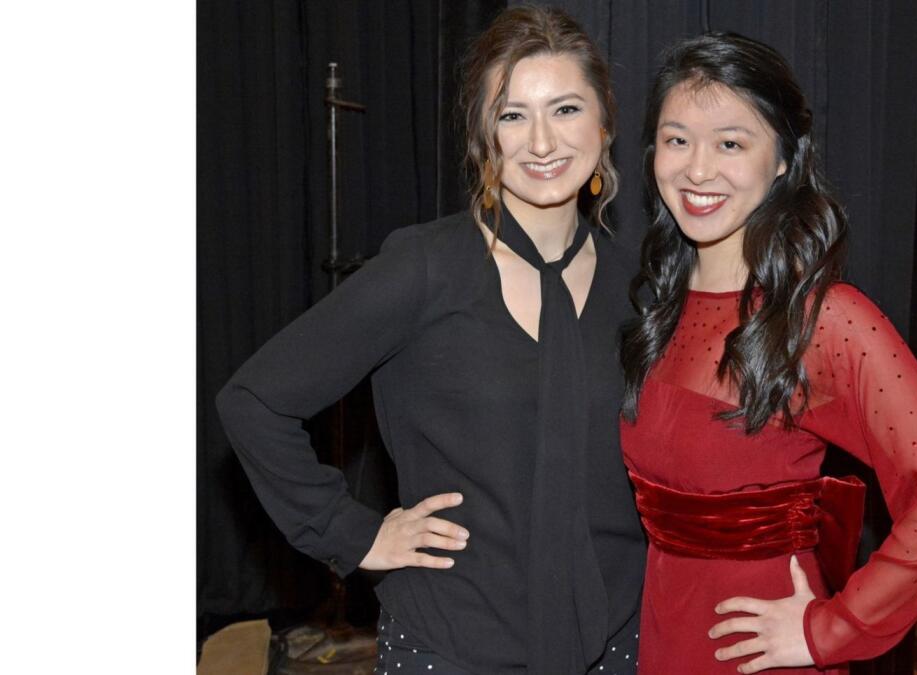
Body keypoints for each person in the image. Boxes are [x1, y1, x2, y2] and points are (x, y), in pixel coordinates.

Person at [216, 6, 645, 674]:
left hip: (617, 644)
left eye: (565, 109)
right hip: (453, 647)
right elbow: (254, 399)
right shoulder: (425, 268)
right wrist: (354, 533)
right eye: (512, 114)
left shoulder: (640, 286)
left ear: (604, 123)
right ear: (483, 138)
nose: (541, 140)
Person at [619, 33, 917, 674]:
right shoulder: (661, 304)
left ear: (784, 161)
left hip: (762, 658)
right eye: (677, 139)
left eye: (731, 143)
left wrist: (835, 628)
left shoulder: (821, 319)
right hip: (665, 638)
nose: (697, 168)